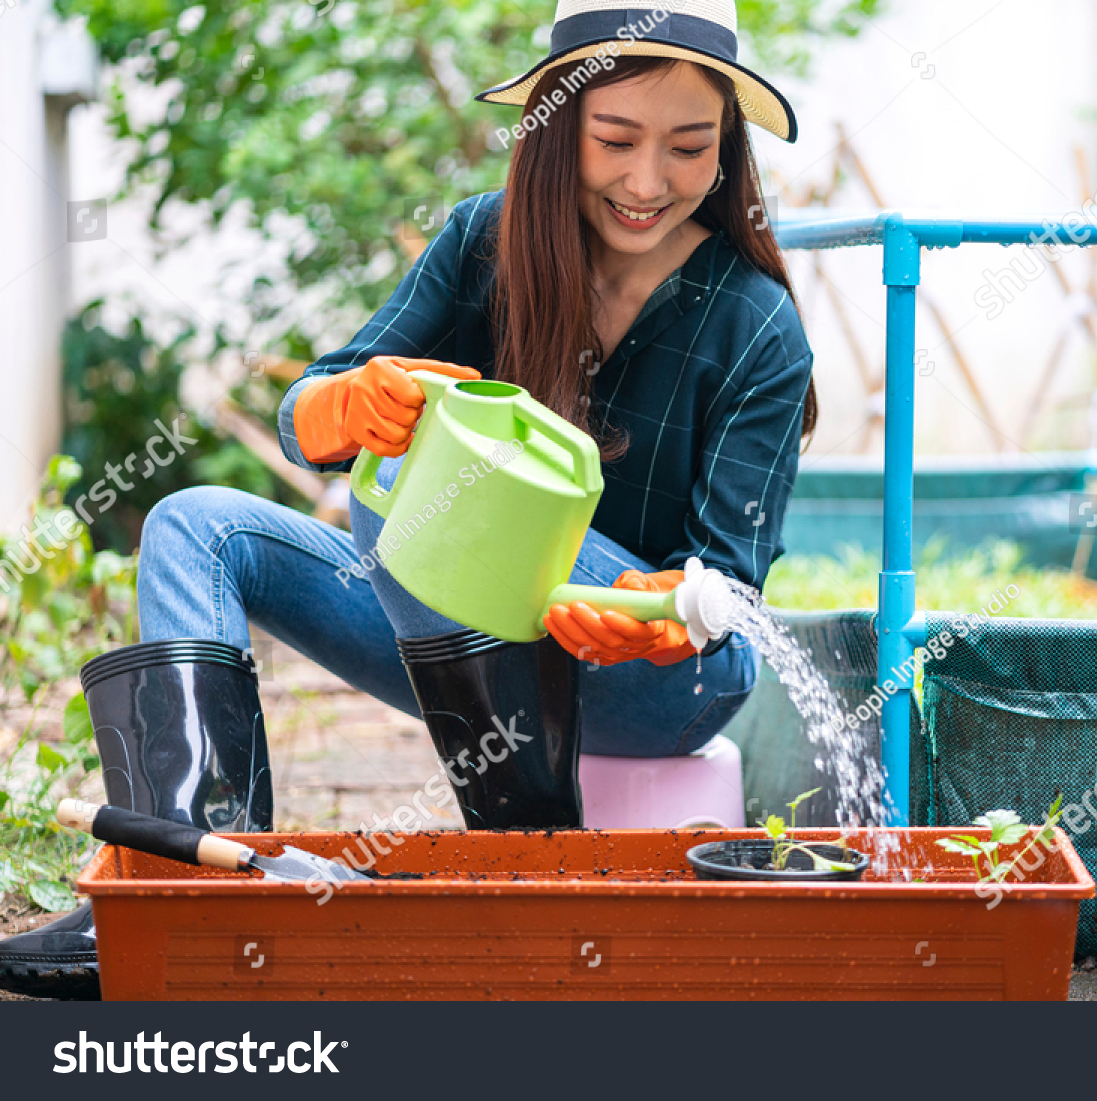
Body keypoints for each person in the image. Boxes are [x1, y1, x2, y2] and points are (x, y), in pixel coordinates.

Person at [0, 0, 813, 1000]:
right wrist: (351, 400)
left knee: (431, 477)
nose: (649, 182)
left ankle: (524, 852)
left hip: (650, 679)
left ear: (726, 150)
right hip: (464, 618)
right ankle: (186, 886)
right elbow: (308, 417)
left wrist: (657, 617)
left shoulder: (755, 323)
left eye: (690, 149)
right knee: (193, 526)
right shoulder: (484, 242)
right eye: (616, 139)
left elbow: (728, 591)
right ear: (557, 129)